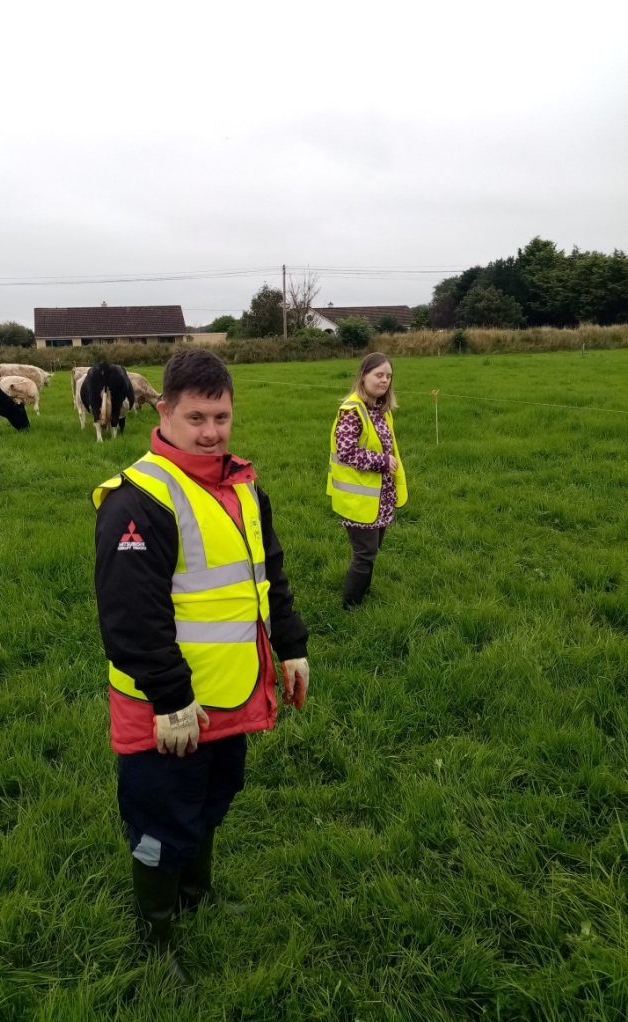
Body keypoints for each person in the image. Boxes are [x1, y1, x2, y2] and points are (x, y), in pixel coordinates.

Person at [93, 349, 309, 986]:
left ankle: (195, 897)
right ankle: (156, 940)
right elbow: (131, 619)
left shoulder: (244, 488)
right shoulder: (140, 499)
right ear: (163, 410)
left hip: (231, 695)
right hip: (168, 709)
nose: (211, 431)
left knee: (213, 799)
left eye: (221, 416)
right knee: (163, 818)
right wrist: (169, 699)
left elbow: (270, 579)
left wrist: (291, 646)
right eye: (196, 417)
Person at [327, 352, 408, 609]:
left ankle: (363, 593)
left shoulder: (379, 411)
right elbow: (347, 452)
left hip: (379, 496)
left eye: (388, 376)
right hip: (358, 498)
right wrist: (382, 462)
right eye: (378, 375)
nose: (384, 381)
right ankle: (350, 606)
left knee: (371, 552)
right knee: (364, 554)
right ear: (363, 376)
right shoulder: (352, 411)